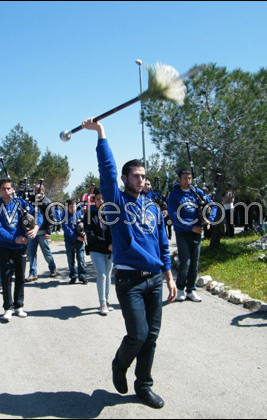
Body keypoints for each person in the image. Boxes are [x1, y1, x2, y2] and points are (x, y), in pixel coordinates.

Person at [82, 117, 177, 410]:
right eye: (135, 176)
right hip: (129, 281)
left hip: (154, 280)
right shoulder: (116, 202)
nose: (141, 180)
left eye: (143, 176)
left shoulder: (153, 207)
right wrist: (100, 133)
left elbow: (162, 243)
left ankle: (143, 385)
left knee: (152, 336)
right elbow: (107, 170)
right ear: (125, 179)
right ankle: (119, 364)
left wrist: (169, 276)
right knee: (138, 334)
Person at [0, 179, 40, 322]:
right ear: (0, 191)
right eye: (4, 189)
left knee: (20, 277)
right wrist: (14, 239)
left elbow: (37, 215)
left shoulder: (20, 203)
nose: (7, 191)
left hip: (21, 247)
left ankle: (19, 306)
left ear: (13, 190)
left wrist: (35, 228)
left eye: (9, 188)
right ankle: (8, 308)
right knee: (6, 277)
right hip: (4, 247)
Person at [167, 169, 215, 303]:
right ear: (179, 179)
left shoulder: (197, 193)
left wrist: (209, 219)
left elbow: (212, 205)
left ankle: (191, 290)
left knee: (194, 263)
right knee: (185, 262)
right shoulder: (174, 195)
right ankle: (180, 288)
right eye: (184, 178)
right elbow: (174, 217)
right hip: (182, 232)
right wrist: (190, 227)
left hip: (197, 232)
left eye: (189, 178)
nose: (187, 181)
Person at [84, 187, 114, 315]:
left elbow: (114, 231)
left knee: (108, 275)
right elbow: (91, 235)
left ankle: (106, 300)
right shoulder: (89, 215)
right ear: (94, 200)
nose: (101, 201)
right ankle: (102, 303)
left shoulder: (110, 214)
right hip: (96, 249)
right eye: (98, 199)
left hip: (109, 250)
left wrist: (112, 243)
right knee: (102, 275)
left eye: (103, 199)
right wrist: (106, 244)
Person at [26, 184, 57, 282]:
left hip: (43, 231)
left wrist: (48, 232)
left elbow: (51, 218)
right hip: (32, 231)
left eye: (37, 190)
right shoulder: (31, 200)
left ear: (43, 191)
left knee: (46, 252)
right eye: (35, 190)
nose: (35, 192)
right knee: (31, 253)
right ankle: (33, 273)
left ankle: (52, 268)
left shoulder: (47, 202)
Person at [62, 199, 87, 284]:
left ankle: (82, 276)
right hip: (70, 241)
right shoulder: (65, 216)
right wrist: (76, 237)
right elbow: (67, 230)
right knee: (71, 259)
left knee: (81, 258)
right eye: (70, 207)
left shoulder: (79, 214)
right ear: (67, 207)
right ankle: (73, 276)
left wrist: (84, 233)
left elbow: (84, 224)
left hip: (79, 241)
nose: (73, 209)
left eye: (74, 207)